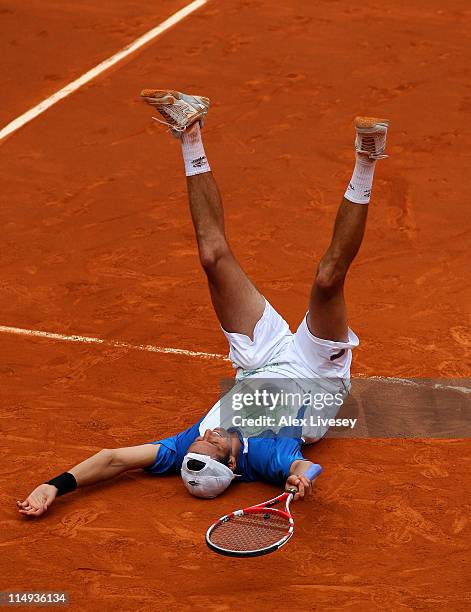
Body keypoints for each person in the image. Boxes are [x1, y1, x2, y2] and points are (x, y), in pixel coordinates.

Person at [17, 90, 389, 517]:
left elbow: (113, 459)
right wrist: (302, 474)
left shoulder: (186, 448)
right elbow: (303, 462)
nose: (208, 431)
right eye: (212, 442)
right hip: (314, 377)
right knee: (327, 279)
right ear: (232, 464)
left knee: (212, 257)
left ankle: (190, 129)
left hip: (258, 362)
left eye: (200, 437)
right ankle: (368, 159)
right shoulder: (265, 456)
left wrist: (54, 485)